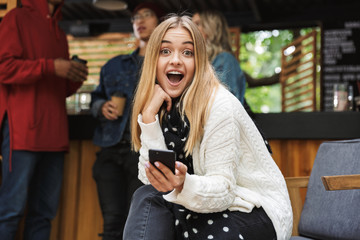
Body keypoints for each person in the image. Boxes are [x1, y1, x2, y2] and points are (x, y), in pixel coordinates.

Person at [123, 15, 292, 240]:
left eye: (187, 52)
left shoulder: (221, 105)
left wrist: (183, 184)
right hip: (195, 206)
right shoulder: (159, 104)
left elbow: (223, 191)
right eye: (165, 51)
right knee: (147, 196)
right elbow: (151, 180)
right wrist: (148, 118)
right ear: (153, 59)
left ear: (199, 61)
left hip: (250, 208)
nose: (175, 60)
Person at [0, 0, 88, 239]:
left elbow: (57, 87)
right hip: (22, 132)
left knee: (44, 215)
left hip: (56, 135)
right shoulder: (16, 18)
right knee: (10, 212)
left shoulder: (59, 32)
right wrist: (51, 67)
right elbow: (4, 69)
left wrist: (74, 77)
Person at [89, 2, 164, 240]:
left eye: (147, 15)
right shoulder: (113, 65)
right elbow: (95, 98)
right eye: (135, 17)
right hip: (110, 151)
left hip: (144, 154)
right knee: (111, 222)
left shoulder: (166, 64)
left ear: (160, 21)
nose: (139, 21)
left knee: (138, 222)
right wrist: (101, 106)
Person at [192, 10, 246, 104]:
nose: (191, 28)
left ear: (211, 29)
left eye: (197, 24)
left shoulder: (225, 59)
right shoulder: (197, 60)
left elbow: (225, 103)